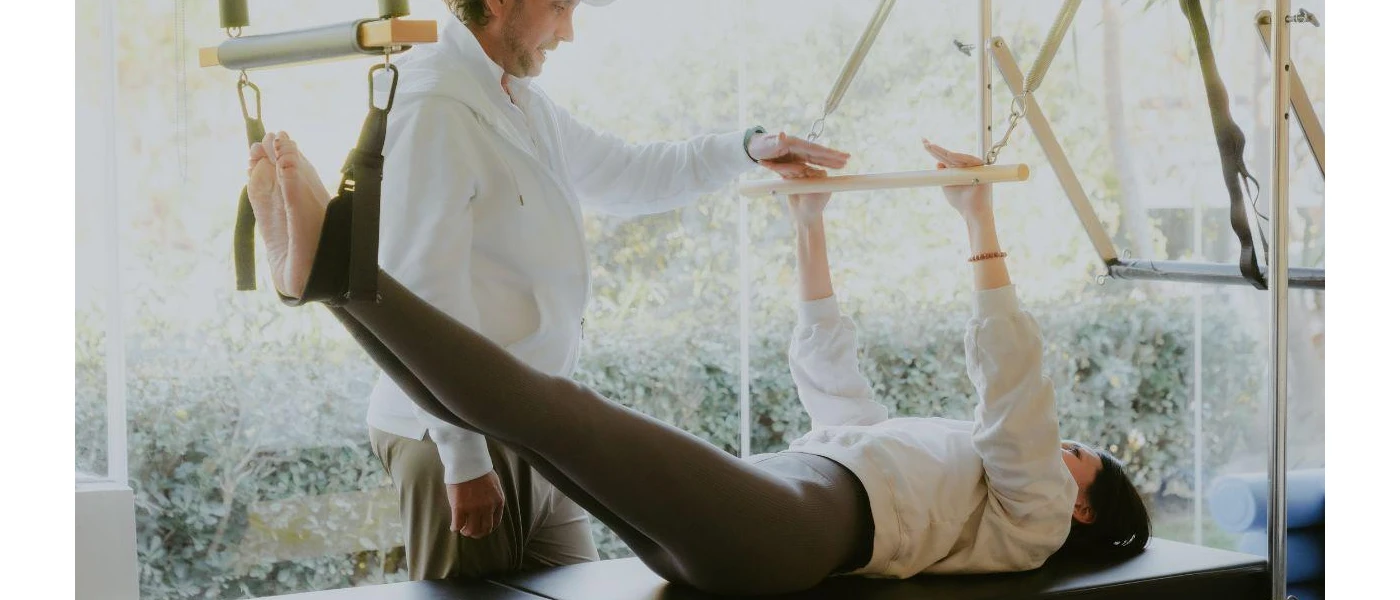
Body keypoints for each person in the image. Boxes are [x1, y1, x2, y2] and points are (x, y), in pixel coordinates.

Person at [244, 132, 1151, 596]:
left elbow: (1012, 385)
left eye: (1079, 453)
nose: (1058, 443)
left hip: (790, 527)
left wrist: (978, 223)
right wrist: (810, 226)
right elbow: (829, 374)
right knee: (518, 418)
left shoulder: (1030, 523)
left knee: (557, 412)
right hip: (776, 506)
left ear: (1081, 502)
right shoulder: (958, 475)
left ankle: (340, 269)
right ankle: (330, 282)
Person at [362, 0, 850, 580]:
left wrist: (745, 149)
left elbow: (629, 172)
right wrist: (463, 457)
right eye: (558, 7)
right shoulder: (432, 106)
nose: (568, 32)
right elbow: (421, 296)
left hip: (534, 421)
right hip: (458, 433)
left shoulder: (519, 100)